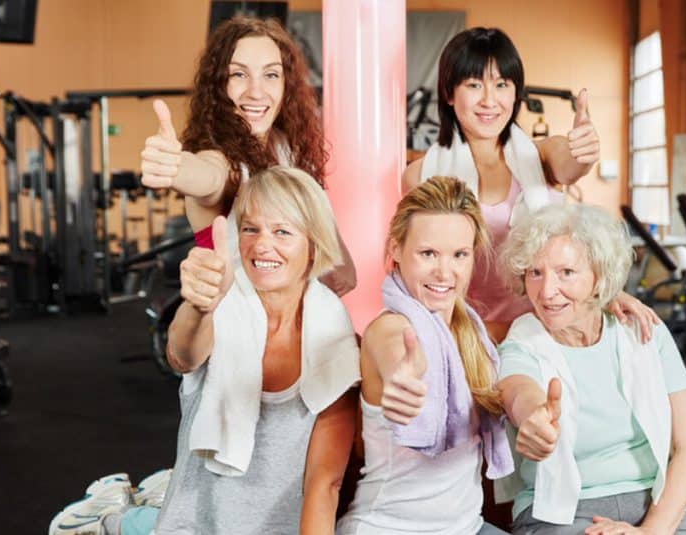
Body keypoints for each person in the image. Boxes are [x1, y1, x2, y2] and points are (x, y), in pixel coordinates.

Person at [48, 167, 360, 535]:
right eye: (250, 229)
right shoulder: (224, 304)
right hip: (196, 521)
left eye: (282, 232)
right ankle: (112, 517)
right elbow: (182, 355)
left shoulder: (333, 335)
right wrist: (200, 307)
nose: (262, 245)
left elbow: (325, 483)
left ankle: (147, 501)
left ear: (314, 243)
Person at [401, 27, 656, 343]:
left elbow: (570, 164)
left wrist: (583, 151)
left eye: (501, 84)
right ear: (450, 93)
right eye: (474, 84)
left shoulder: (542, 156)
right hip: (461, 337)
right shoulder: (420, 175)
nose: (489, 100)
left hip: (543, 330)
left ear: (515, 93)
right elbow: (413, 262)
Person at [496, 203, 686, 535]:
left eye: (566, 272)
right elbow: (518, 390)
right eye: (535, 272)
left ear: (600, 278)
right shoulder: (522, 342)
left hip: (656, 501)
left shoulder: (645, 332)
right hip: (563, 510)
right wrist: (534, 419)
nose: (547, 291)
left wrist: (651, 531)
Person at [337, 176, 513, 535]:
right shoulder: (389, 329)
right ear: (397, 250)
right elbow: (395, 350)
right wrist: (403, 377)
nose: (445, 272)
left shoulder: (475, 335)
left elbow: (542, 317)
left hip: (467, 528)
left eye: (459, 255)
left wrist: (601, 301)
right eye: (428, 253)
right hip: (385, 528)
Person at [140, 16, 355, 295]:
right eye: (239, 74)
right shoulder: (222, 159)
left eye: (271, 75)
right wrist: (176, 166)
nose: (256, 92)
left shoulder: (288, 150)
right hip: (241, 332)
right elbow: (209, 175)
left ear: (286, 84)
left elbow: (339, 269)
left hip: (297, 328)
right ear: (218, 86)